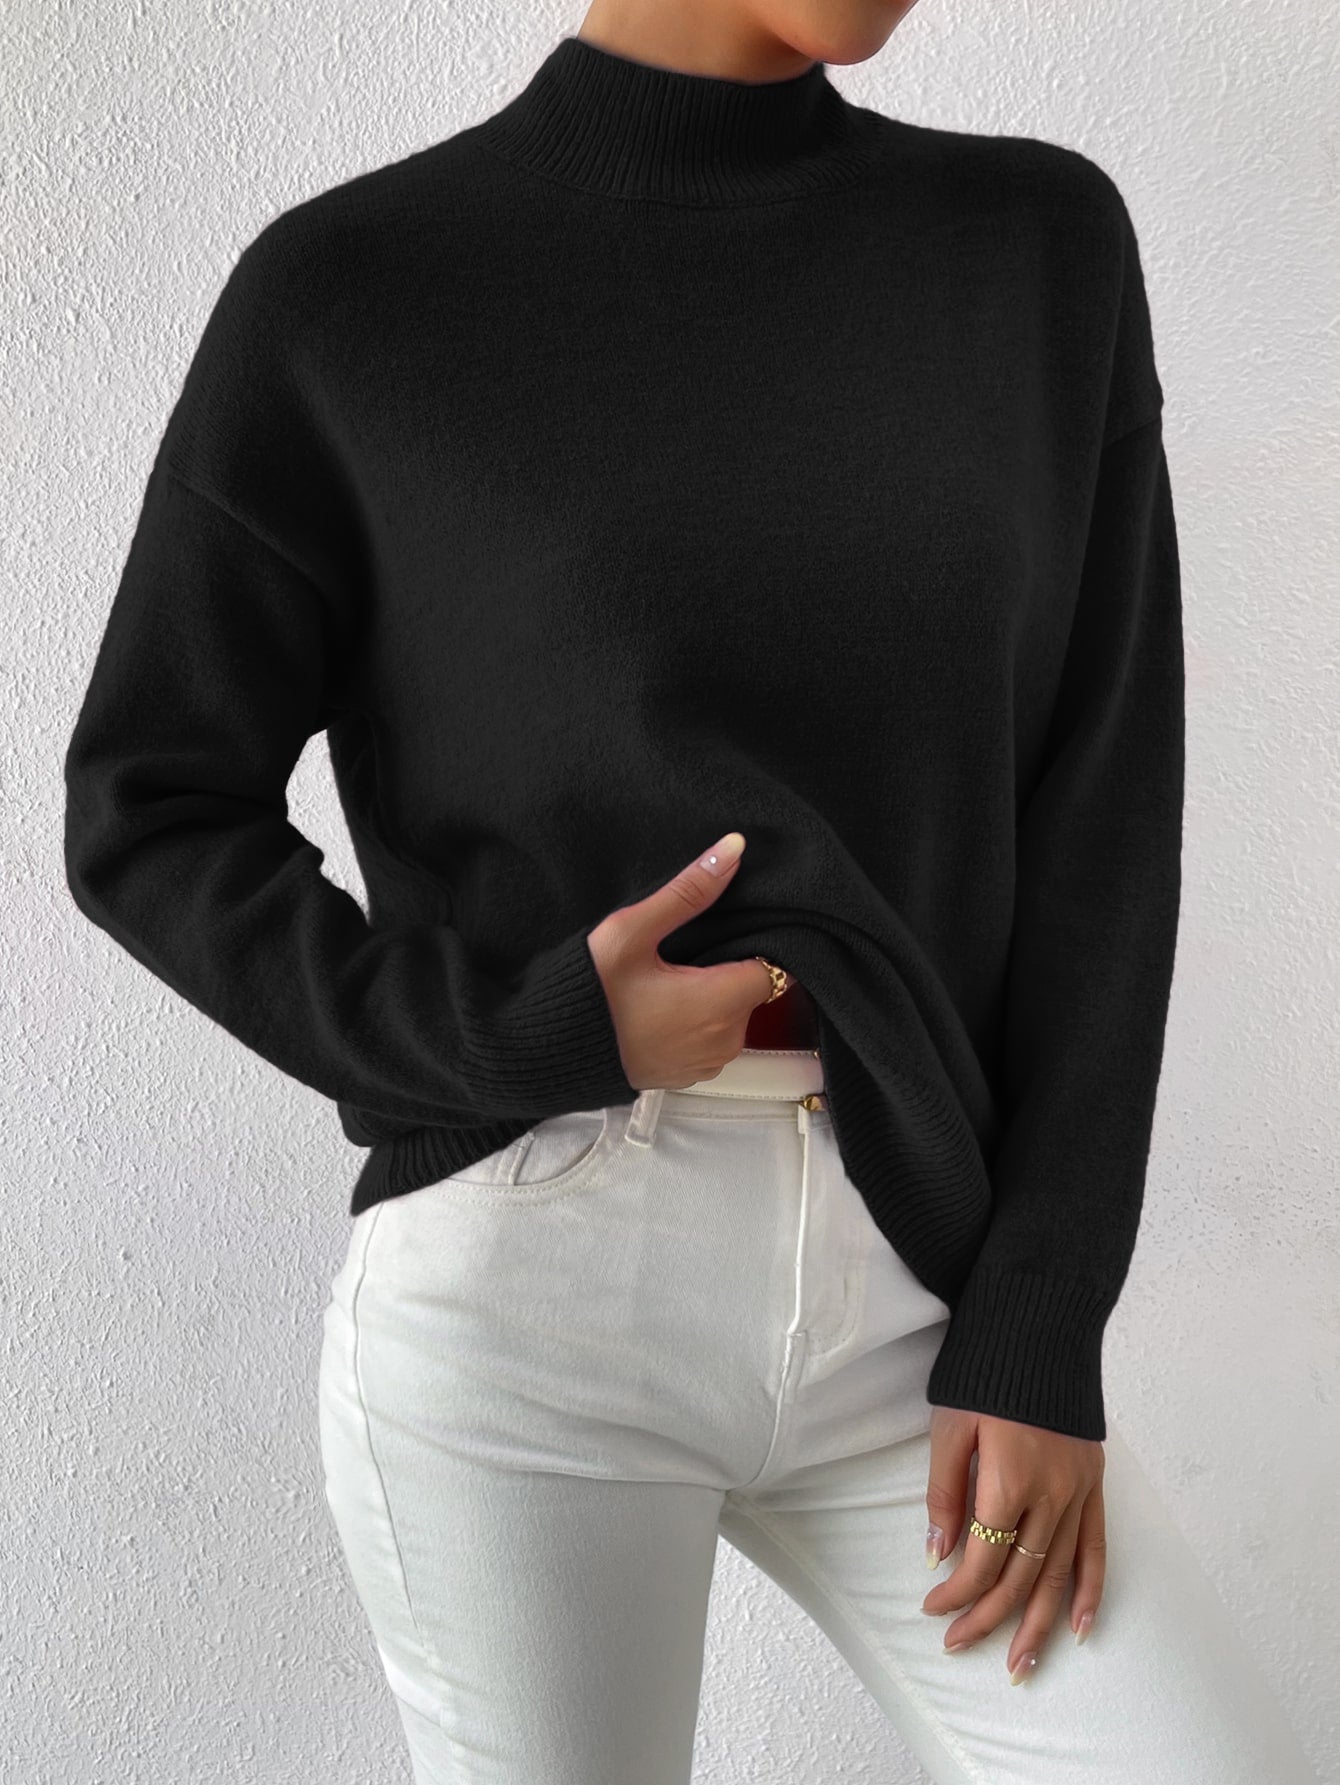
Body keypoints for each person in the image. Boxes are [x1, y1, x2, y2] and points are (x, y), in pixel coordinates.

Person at [62, 3, 1319, 1780]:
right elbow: (148, 806)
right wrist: (518, 1033)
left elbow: (1103, 829)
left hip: (926, 1275)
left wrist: (1044, 1320)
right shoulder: (353, 294)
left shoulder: (1037, 251)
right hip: (532, 1292)